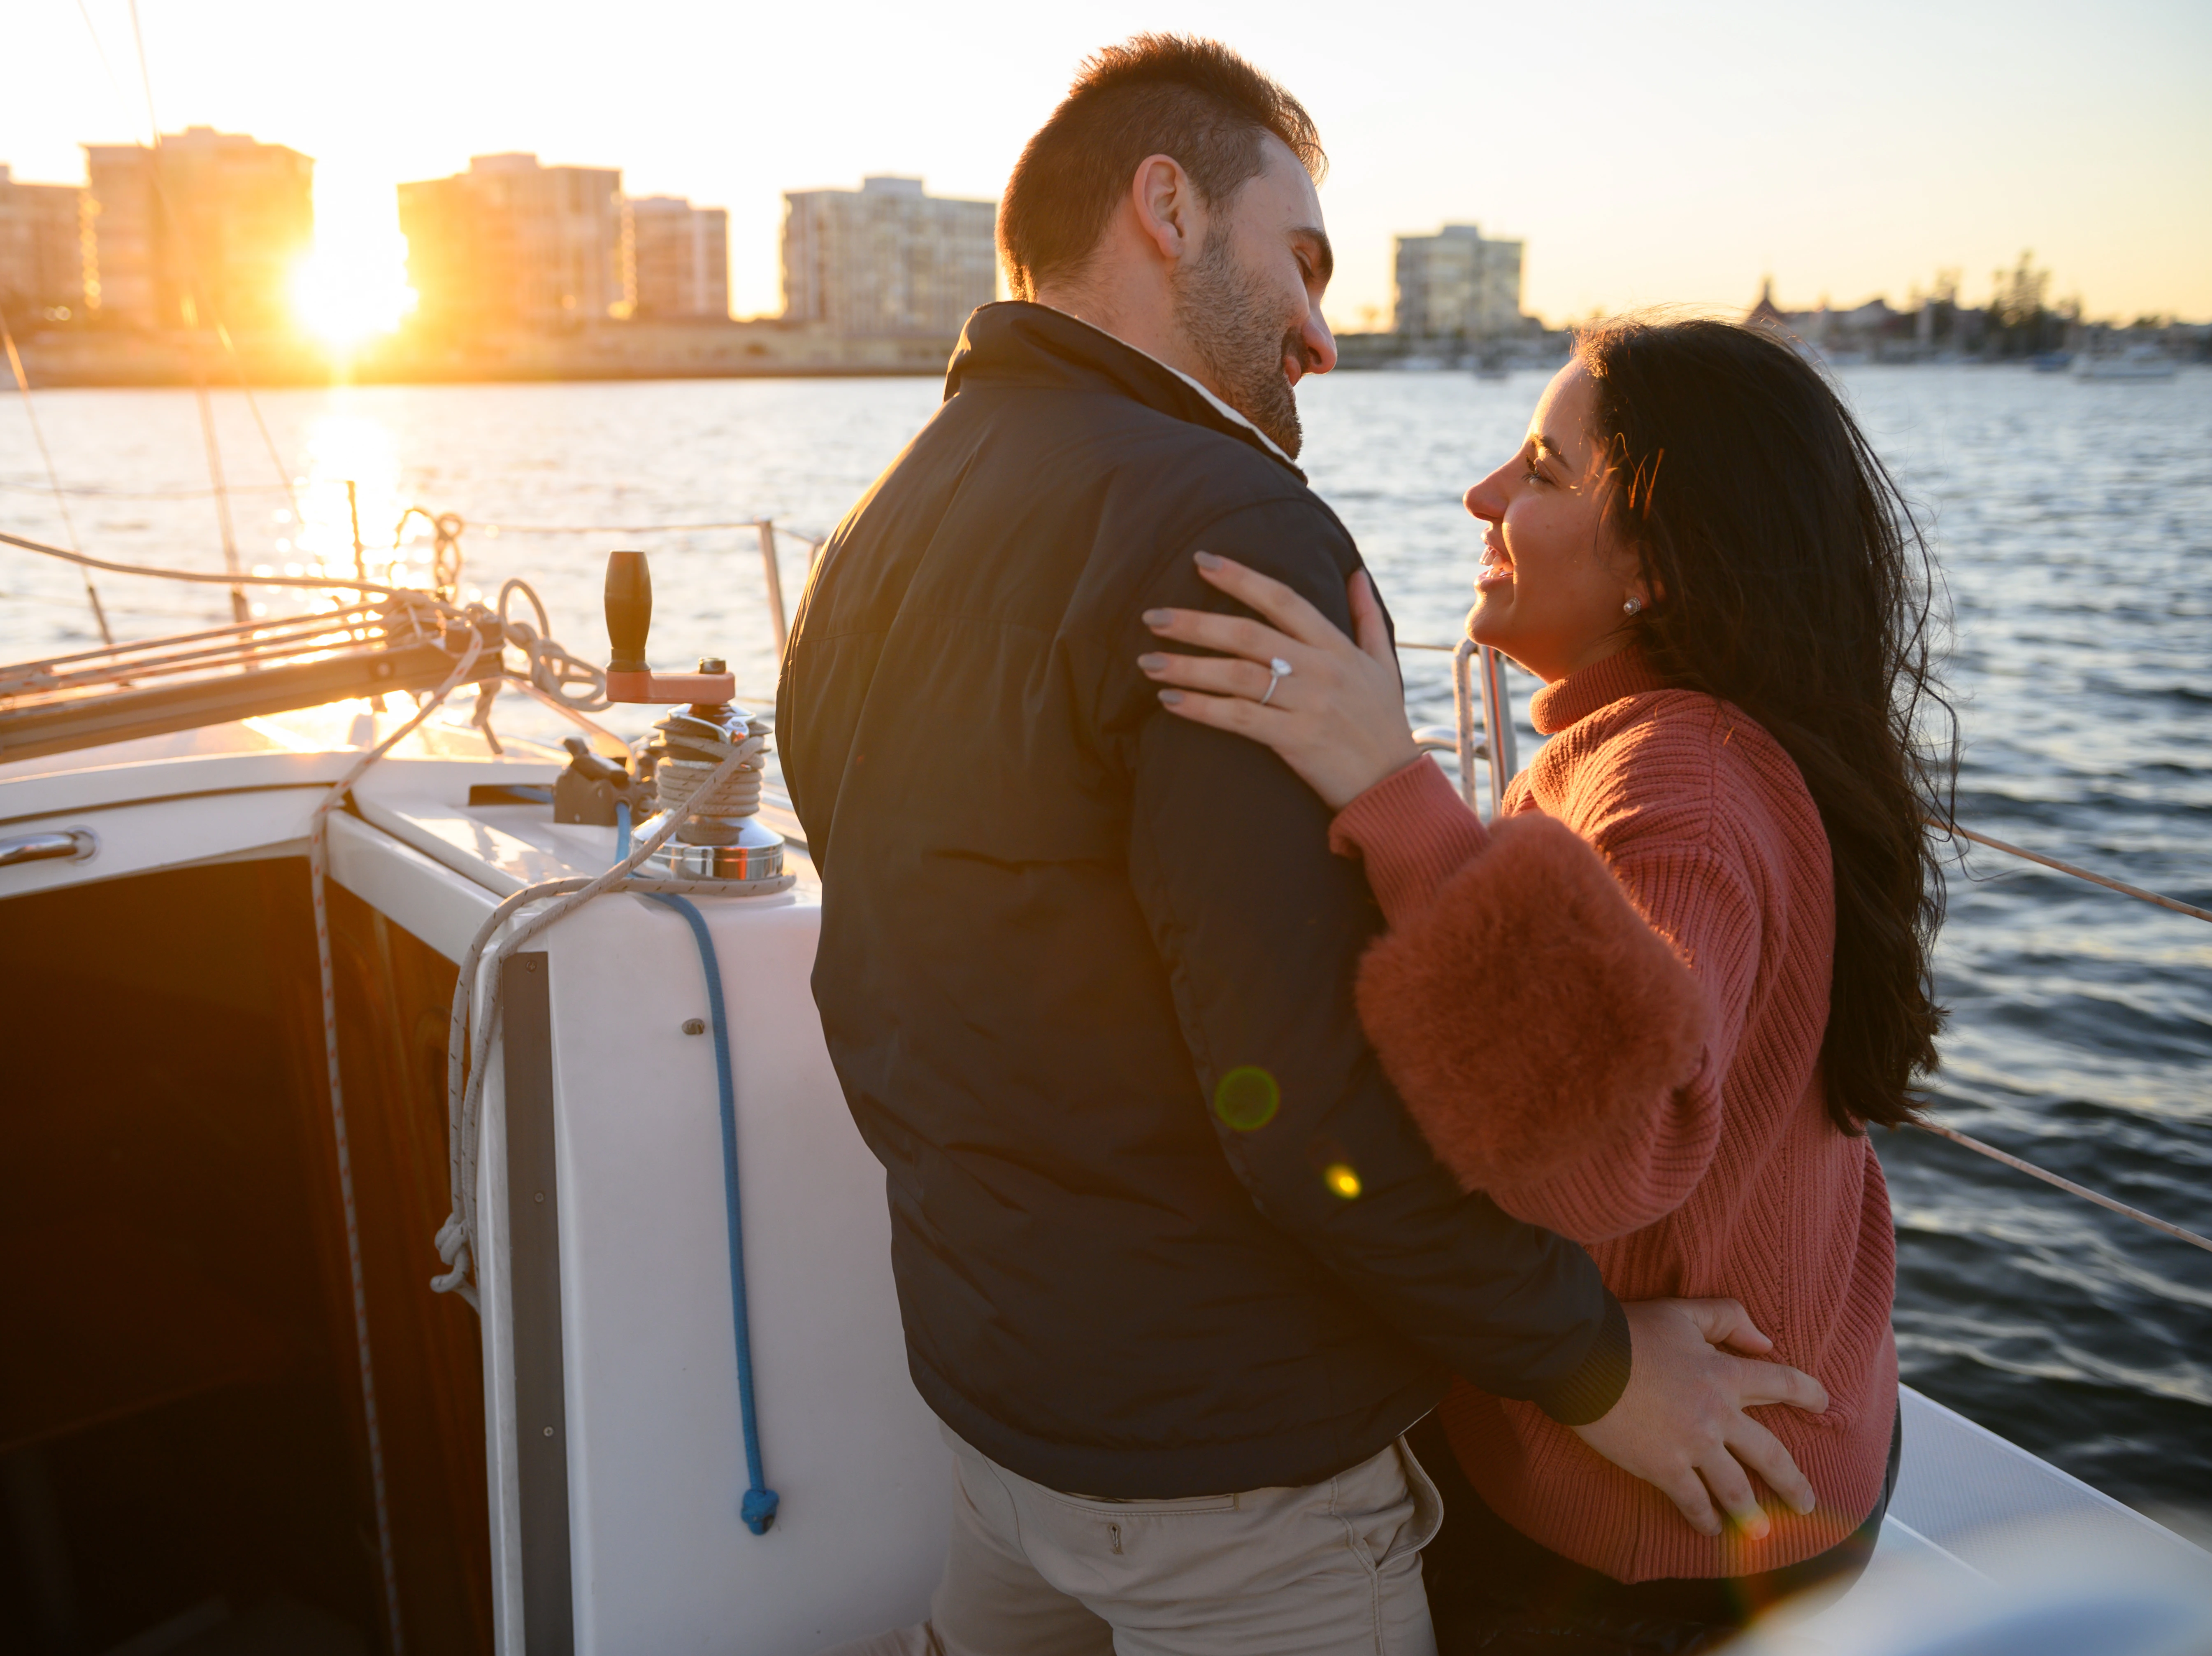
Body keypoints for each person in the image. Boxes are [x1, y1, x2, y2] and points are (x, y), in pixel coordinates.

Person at [782, 37, 1831, 1656]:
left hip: (1002, 1421)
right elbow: (1304, 1105)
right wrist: (1598, 1370)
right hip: (1233, 1479)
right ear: (1166, 208)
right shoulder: (1231, 528)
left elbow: (900, 981)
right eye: (1306, 260)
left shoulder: (879, 525)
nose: (1325, 339)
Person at [1136, 315, 1947, 1648]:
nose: (1484, 498)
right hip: (1798, 1456)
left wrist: (1390, 789)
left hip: (1650, 1529)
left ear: (1662, 567)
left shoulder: (1674, 787)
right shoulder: (1708, 736)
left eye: (1545, 473)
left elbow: (1600, 1153)